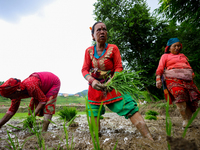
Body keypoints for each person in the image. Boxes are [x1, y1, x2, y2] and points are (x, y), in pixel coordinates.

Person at [81, 22, 154, 141]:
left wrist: (111, 82)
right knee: (93, 113)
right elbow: (84, 70)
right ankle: (96, 142)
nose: (102, 31)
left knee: (129, 107)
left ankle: (149, 138)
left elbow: (119, 67)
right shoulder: (88, 51)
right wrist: (93, 81)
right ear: (93, 35)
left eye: (104, 29)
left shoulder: (113, 48)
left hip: (113, 85)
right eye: (98, 30)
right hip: (95, 87)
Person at [156, 38, 200, 127]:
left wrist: (192, 74)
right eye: (174, 46)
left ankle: (188, 118)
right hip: (172, 79)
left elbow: (188, 65)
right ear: (169, 48)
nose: (177, 47)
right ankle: (185, 120)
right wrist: (158, 79)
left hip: (187, 79)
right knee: (179, 93)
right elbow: (160, 68)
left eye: (178, 45)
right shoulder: (165, 56)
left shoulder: (183, 55)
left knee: (193, 98)